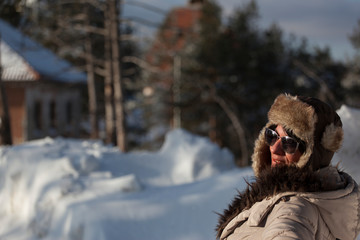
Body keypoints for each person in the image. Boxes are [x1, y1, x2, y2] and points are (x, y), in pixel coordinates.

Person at [216, 93, 360, 240]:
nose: (274, 149)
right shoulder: (319, 199)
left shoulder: (292, 209)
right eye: (271, 136)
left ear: (312, 154)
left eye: (289, 143)